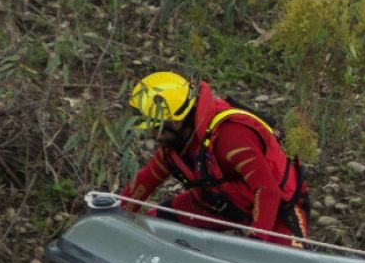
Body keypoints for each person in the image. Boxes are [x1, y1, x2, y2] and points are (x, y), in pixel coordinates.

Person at [118, 71, 310, 246]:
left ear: (181, 118)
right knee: (154, 224)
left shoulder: (232, 137)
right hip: (219, 205)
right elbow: (145, 181)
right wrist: (117, 220)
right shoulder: (175, 145)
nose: (154, 135)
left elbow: (267, 191)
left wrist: (254, 243)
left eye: (159, 126)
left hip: (277, 210)